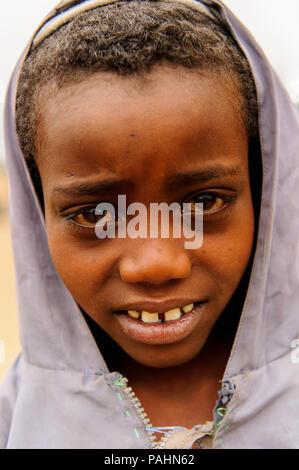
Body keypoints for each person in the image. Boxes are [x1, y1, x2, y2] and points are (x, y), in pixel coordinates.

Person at [0, 0, 298, 449]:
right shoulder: (15, 421)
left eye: (204, 201)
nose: (156, 263)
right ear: (36, 211)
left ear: (264, 192)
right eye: (97, 214)